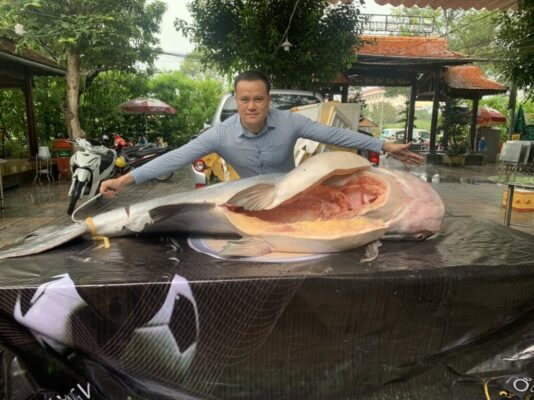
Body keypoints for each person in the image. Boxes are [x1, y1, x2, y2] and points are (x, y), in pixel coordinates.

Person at [100, 70, 424, 197]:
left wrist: (385, 146)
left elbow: (335, 135)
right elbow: (174, 158)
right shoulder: (219, 135)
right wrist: (123, 180)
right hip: (249, 198)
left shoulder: (290, 123)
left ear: (268, 99)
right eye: (245, 99)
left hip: (292, 195)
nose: (252, 106)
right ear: (236, 101)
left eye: (258, 99)